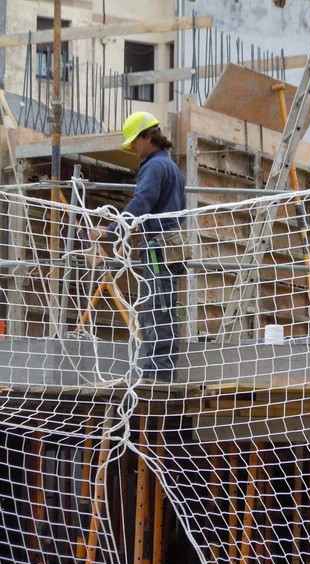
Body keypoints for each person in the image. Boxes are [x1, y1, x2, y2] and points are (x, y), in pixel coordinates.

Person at [89, 112, 186, 384]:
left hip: (158, 250)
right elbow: (171, 210)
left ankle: (158, 372)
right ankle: (161, 368)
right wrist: (141, 230)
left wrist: (111, 230)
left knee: (156, 308)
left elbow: (141, 203)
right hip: (169, 248)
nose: (132, 148)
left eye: (135, 141)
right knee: (163, 306)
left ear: (149, 137)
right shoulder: (171, 167)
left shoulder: (154, 167)